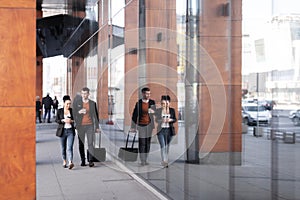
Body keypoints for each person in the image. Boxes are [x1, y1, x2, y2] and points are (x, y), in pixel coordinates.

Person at [73, 87, 100, 167]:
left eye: (85, 94)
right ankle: (83, 160)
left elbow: (96, 116)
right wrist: (79, 112)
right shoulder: (77, 102)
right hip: (80, 126)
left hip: (90, 125)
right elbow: (73, 113)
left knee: (90, 143)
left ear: (88, 94)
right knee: (81, 144)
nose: (84, 95)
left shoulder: (92, 103)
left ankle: (91, 160)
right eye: (82, 94)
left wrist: (97, 127)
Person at [130, 87, 156, 166]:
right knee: (142, 142)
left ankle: (146, 158)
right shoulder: (139, 103)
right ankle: (142, 160)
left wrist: (153, 112)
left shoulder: (152, 102)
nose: (148, 95)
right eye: (146, 93)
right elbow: (134, 115)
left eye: (149, 93)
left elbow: (155, 112)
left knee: (148, 143)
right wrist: (133, 126)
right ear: (143, 94)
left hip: (149, 125)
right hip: (141, 125)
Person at [155, 95, 177, 168]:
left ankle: (165, 159)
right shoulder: (158, 110)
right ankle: (164, 161)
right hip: (161, 130)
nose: (165, 105)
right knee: (163, 146)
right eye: (163, 103)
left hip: (169, 130)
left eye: (167, 103)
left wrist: (170, 120)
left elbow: (175, 119)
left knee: (167, 147)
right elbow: (156, 120)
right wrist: (161, 120)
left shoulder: (172, 110)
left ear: (169, 103)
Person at [55, 95, 76, 169]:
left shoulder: (72, 111)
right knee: (63, 148)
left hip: (70, 131)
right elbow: (56, 120)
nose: (68, 105)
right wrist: (63, 120)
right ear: (64, 103)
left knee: (69, 147)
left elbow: (76, 120)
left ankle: (70, 162)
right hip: (62, 131)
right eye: (67, 104)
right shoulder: (59, 111)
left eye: (70, 104)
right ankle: (64, 161)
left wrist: (71, 121)